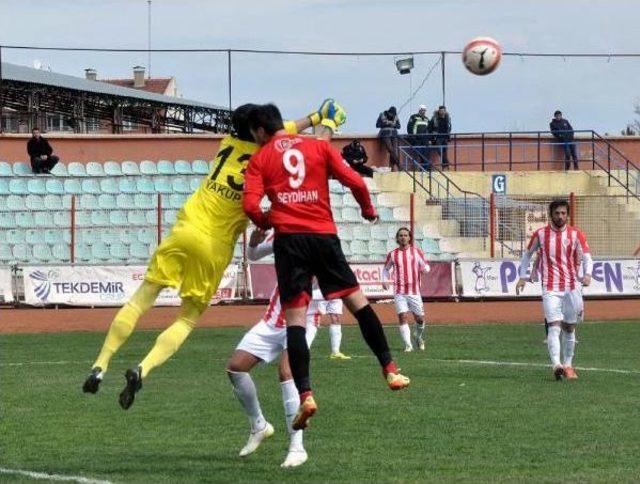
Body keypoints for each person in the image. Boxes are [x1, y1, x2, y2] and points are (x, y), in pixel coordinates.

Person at [82, 99, 346, 409]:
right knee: (186, 319)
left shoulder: (228, 142)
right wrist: (324, 119)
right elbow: (293, 139)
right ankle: (143, 368)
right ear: (259, 131)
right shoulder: (267, 157)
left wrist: (315, 115)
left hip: (186, 228)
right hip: (215, 245)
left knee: (141, 300)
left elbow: (278, 129)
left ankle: (100, 364)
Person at [243, 103, 410, 431]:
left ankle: (306, 393)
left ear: (260, 132)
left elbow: (249, 204)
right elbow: (357, 182)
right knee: (359, 305)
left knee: (295, 322)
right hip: (323, 236)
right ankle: (390, 368)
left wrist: (266, 219)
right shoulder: (318, 146)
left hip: (290, 242)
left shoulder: (260, 158)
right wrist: (367, 210)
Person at [227, 228, 322, 468]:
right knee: (236, 368)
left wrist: (305, 291)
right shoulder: (283, 234)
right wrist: (253, 242)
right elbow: (254, 255)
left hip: (303, 319)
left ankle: (297, 447)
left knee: (287, 372)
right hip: (273, 319)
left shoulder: (321, 241)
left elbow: (336, 288)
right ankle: (259, 425)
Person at [516, 199, 592, 380]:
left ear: (567, 215)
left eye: (563, 213)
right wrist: (522, 276)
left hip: (572, 287)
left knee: (570, 328)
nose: (560, 216)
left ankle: (568, 365)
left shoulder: (576, 234)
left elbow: (587, 257)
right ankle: (556, 365)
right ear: (551, 215)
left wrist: (587, 274)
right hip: (550, 287)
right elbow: (527, 256)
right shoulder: (540, 234)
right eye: (557, 213)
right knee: (554, 326)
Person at [382, 227, 430, 352]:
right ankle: (408, 345)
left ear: (409, 237)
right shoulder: (393, 254)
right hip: (399, 291)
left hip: (414, 291)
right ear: (397, 238)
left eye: (405, 235)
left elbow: (425, 266)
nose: (403, 237)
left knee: (420, 319)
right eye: (401, 235)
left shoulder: (417, 252)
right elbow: (386, 269)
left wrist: (425, 269)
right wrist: (384, 280)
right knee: (402, 316)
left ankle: (418, 336)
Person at [376, 106, 401, 171]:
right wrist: (387, 124)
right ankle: (399, 164)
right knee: (390, 149)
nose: (392, 115)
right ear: (389, 112)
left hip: (394, 134)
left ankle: (392, 167)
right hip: (385, 134)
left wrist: (394, 125)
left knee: (395, 150)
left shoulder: (395, 117)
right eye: (391, 114)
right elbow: (377, 125)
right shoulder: (382, 115)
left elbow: (399, 126)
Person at [406, 105, 431, 169]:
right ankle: (424, 167)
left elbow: (429, 129)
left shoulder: (426, 119)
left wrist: (429, 139)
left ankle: (424, 168)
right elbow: (409, 127)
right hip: (416, 139)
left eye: (424, 110)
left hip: (425, 139)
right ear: (419, 110)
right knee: (419, 152)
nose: (423, 111)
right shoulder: (414, 117)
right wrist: (412, 137)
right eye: (422, 110)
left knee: (426, 153)